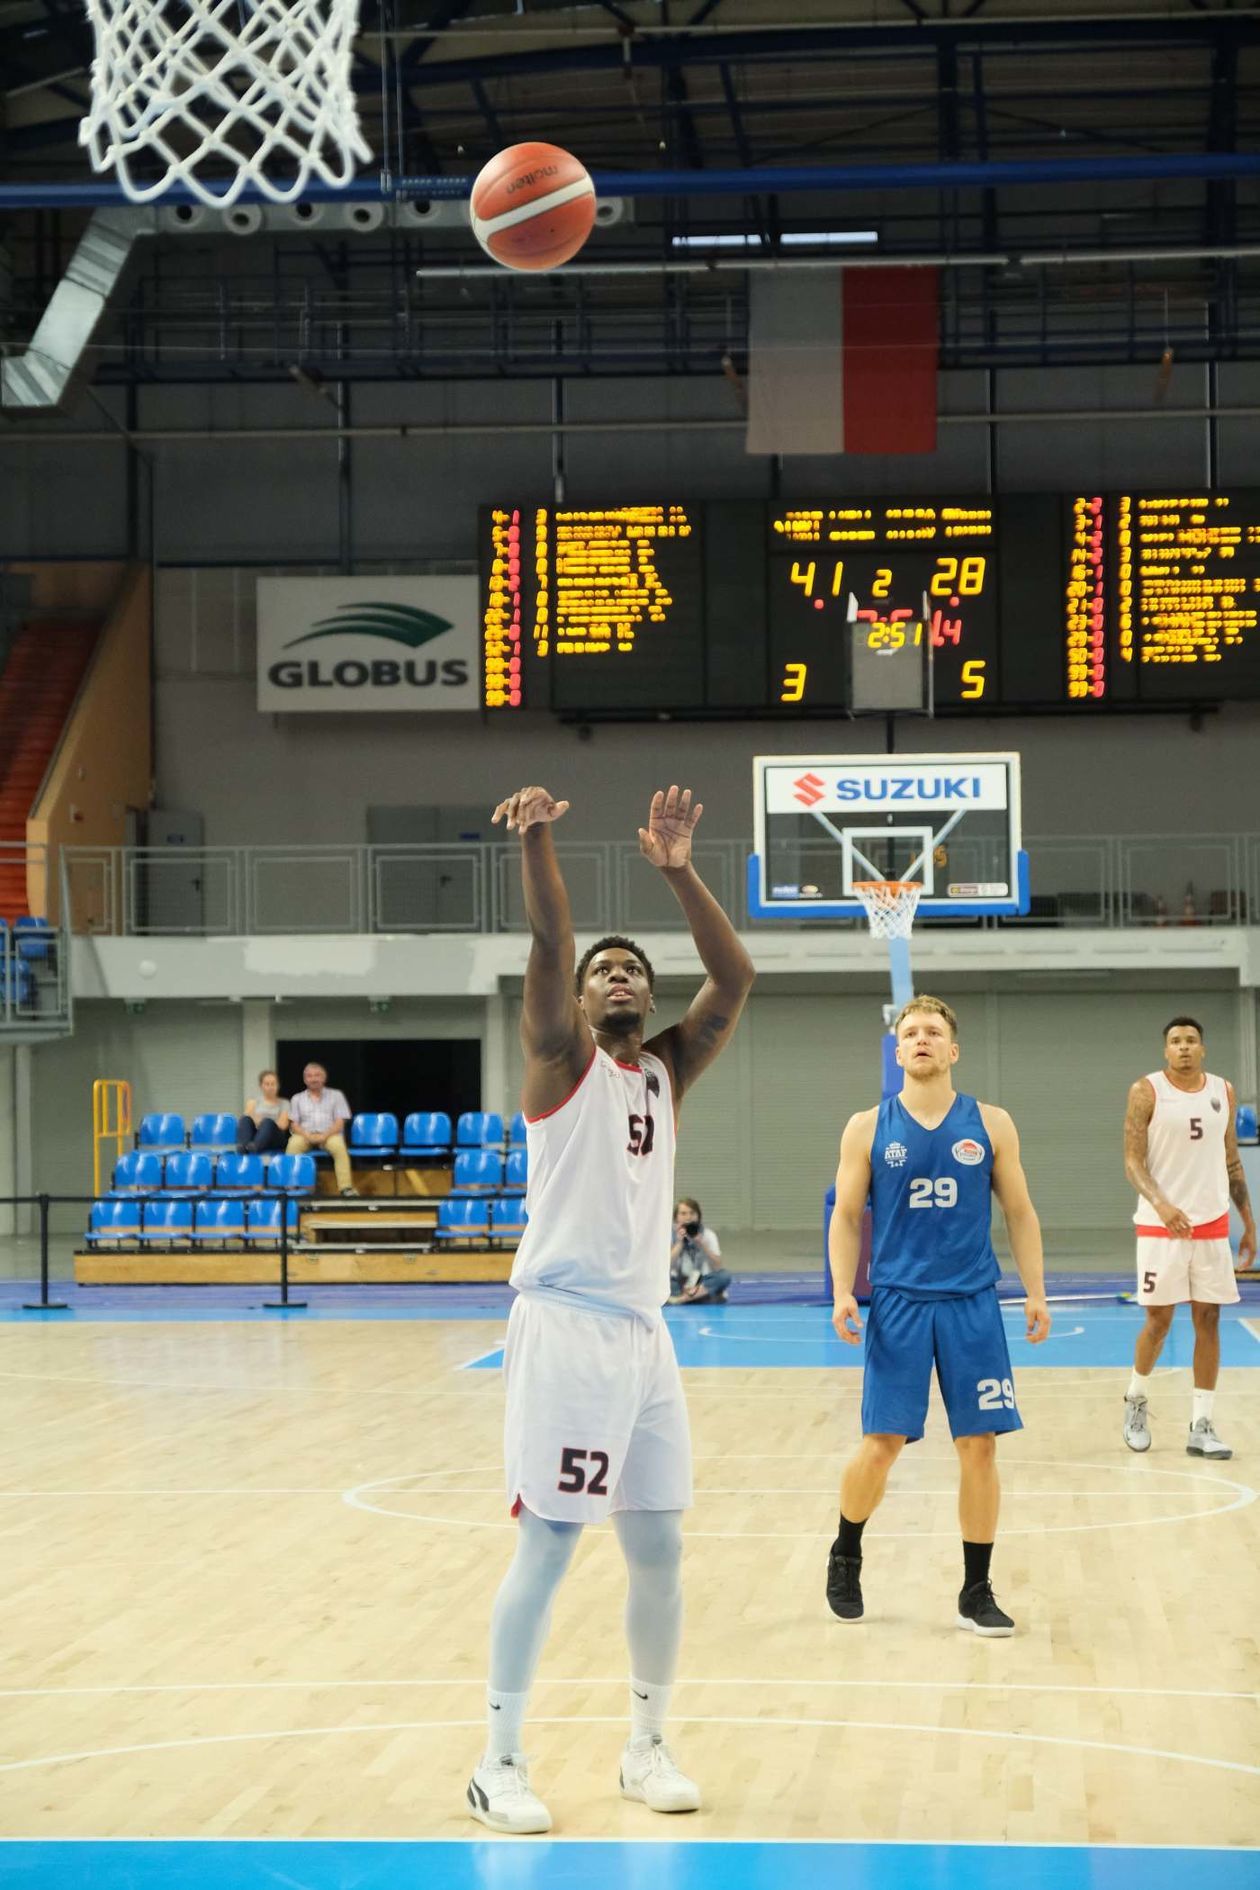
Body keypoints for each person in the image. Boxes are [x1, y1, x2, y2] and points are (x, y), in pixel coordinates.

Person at [466, 783, 754, 1836]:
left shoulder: (666, 1072)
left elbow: (733, 977)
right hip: (564, 1328)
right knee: (548, 1548)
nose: (617, 974)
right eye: (604, 971)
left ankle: (645, 1744)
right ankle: (498, 1760)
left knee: (661, 1551)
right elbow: (550, 939)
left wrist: (680, 872)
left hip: (644, 1336)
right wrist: (540, 838)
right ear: (580, 1004)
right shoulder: (559, 1059)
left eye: (634, 967)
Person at [827, 995, 1050, 1637]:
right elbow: (846, 1216)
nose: (921, 1039)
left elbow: (1020, 1213)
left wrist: (1035, 1291)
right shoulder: (867, 1126)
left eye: (933, 1032)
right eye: (911, 1033)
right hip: (898, 1302)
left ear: (953, 1050)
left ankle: (975, 1589)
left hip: (972, 1302)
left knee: (979, 1446)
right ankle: (846, 1554)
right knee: (882, 1445)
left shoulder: (993, 1123)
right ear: (897, 1051)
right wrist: (845, 1290)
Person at [1122, 1015, 1256, 1459]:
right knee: (1159, 1323)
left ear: (1203, 1049)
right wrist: (1161, 1204)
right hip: (1162, 1226)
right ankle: (1136, 1399)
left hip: (1212, 1225)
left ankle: (1202, 1424)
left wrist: (1248, 1222)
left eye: (1191, 1041)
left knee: (1209, 1320)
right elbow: (1133, 1162)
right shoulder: (1146, 1091)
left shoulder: (1224, 1091)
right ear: (1166, 1050)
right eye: (1175, 1041)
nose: (1183, 1047)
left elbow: (1232, 1162)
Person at [286, 1061, 357, 1197]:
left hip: (329, 1134)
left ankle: (346, 1188)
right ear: (305, 1079)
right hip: (305, 1135)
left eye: (317, 1075)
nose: (314, 1079)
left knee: (339, 1147)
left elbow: (340, 1121)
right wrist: (307, 1135)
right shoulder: (297, 1098)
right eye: (310, 1076)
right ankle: (291, 1186)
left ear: (324, 1078)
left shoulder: (336, 1095)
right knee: (293, 1145)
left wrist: (324, 1135)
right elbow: (294, 1124)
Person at [669, 1198, 731, 1303]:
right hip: (678, 1282)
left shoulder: (708, 1235)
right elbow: (666, 1265)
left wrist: (702, 1245)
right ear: (676, 1218)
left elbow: (718, 1265)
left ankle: (682, 1299)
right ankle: (698, 1297)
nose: (688, 1217)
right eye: (683, 1214)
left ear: (698, 1216)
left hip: (702, 1281)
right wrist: (679, 1243)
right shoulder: (669, 1236)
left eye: (692, 1213)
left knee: (724, 1276)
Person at [235, 1069, 289, 1156]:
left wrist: (262, 1121)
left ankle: (254, 1148)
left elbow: (283, 1125)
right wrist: (259, 1121)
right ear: (261, 1086)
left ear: (278, 1085)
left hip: (274, 1138)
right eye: (267, 1084)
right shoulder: (253, 1102)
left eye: (273, 1084)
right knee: (245, 1119)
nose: (270, 1087)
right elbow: (247, 1122)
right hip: (256, 1136)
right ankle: (243, 1147)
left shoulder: (284, 1103)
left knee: (268, 1122)